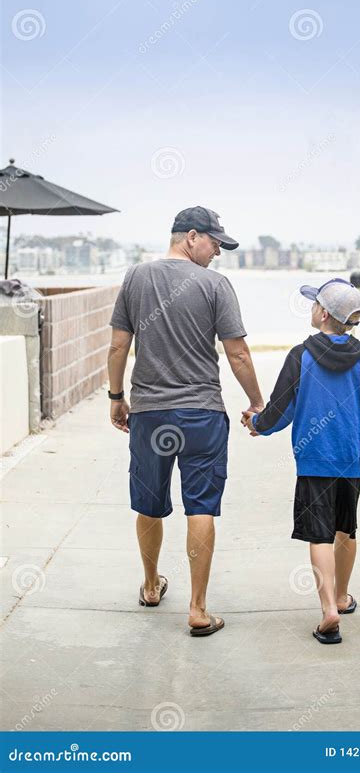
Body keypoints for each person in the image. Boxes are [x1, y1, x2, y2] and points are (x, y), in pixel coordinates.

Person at [108, 206, 264, 636]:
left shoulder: (136, 277)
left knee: (149, 503)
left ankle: (150, 584)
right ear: (191, 236)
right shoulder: (215, 285)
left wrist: (117, 397)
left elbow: (119, 345)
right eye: (215, 243)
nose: (217, 252)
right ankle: (197, 609)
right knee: (201, 506)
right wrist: (257, 402)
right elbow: (238, 353)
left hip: (151, 414)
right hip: (202, 415)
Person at [241, 278, 360, 645]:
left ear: (322, 313)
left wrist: (258, 424)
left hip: (314, 459)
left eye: (313, 304)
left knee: (319, 535)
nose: (310, 309)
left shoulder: (301, 355)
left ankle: (328, 612)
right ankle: (342, 596)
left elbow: (282, 407)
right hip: (352, 460)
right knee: (346, 530)